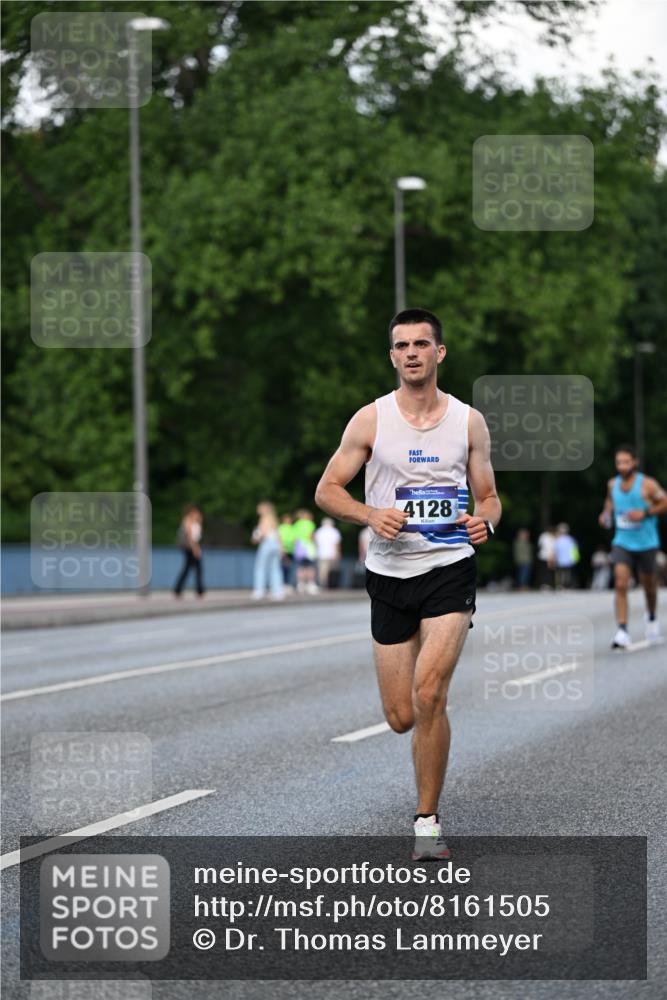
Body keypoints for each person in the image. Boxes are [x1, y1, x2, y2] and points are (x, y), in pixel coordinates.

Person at [315, 307, 500, 860]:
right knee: (401, 716)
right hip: (390, 573)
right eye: (403, 345)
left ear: (439, 353)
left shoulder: (468, 421)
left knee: (429, 694)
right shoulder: (370, 420)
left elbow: (488, 494)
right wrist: (371, 515)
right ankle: (425, 739)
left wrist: (484, 520)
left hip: (449, 567)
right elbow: (327, 490)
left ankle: (427, 822)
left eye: (423, 343)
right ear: (393, 355)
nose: (413, 352)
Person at [598, 444, 667, 648]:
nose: (622, 466)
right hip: (622, 542)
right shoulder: (612, 484)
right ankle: (622, 630)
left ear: (634, 462)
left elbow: (665, 502)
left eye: (626, 462)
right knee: (620, 583)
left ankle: (652, 618)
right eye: (619, 462)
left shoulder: (647, 484)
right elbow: (609, 503)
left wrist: (645, 513)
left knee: (649, 586)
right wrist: (605, 515)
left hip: (647, 543)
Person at [251, 502, 284, 601]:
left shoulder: (263, 519)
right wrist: (281, 548)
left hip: (267, 544)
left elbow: (262, 533)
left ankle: (259, 591)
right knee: (275, 569)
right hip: (275, 545)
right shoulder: (274, 519)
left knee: (260, 568)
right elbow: (278, 536)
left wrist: (256, 538)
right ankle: (278, 592)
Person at [174, 504, 205, 597]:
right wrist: (196, 549)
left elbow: (197, 537)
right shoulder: (188, 521)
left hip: (191, 548)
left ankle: (178, 589)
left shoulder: (196, 523)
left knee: (188, 569)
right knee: (197, 569)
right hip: (190, 548)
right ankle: (199, 590)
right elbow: (191, 537)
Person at [292, 509, 318, 594]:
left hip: (299, 548)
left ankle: (301, 584)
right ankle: (310, 584)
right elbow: (311, 535)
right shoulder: (310, 523)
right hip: (308, 548)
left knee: (301, 567)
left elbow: (294, 539)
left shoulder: (296, 524)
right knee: (310, 567)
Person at [314, 516, 342, 588]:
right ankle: (331, 584)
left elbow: (315, 543)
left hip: (321, 553)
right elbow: (336, 544)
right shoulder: (334, 531)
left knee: (322, 571)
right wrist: (338, 553)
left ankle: (323, 584)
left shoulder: (319, 531)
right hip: (332, 554)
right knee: (331, 571)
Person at [553, 523, 579, 590]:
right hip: (566, 560)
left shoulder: (558, 540)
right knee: (566, 574)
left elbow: (555, 550)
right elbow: (574, 549)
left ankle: (563, 585)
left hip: (563, 560)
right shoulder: (570, 539)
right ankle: (565, 585)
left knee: (562, 574)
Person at [278, 513, 296, 589]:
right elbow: (279, 538)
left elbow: (295, 539)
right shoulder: (281, 527)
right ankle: (283, 583)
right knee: (283, 567)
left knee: (289, 567)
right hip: (283, 549)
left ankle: (288, 583)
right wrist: (282, 548)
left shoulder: (292, 528)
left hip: (291, 550)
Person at [536, 526, 556, 590]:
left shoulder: (543, 536)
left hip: (543, 556)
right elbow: (551, 548)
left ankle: (544, 584)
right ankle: (546, 584)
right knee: (548, 571)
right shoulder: (552, 537)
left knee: (544, 571)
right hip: (548, 556)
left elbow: (539, 544)